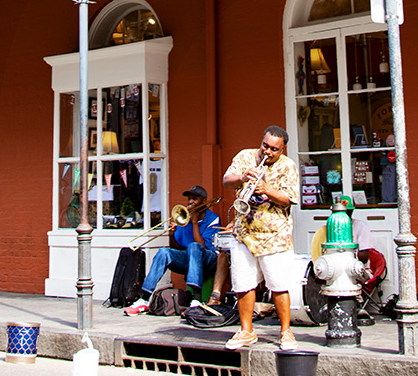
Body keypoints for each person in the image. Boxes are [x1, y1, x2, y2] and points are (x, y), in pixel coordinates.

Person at [221, 125, 299, 350]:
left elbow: (290, 199)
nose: (268, 152)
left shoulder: (288, 166)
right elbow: (227, 181)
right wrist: (242, 178)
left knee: (278, 285)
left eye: (274, 149)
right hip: (244, 233)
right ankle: (247, 331)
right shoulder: (245, 156)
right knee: (243, 284)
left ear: (282, 150)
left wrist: (267, 190)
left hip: (274, 235)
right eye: (265, 145)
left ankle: (286, 332)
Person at [124, 186, 221, 315]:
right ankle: (144, 299)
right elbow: (176, 247)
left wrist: (195, 222)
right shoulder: (183, 218)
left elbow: (202, 246)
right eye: (189, 199)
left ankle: (196, 300)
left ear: (204, 201)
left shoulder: (213, 219)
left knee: (194, 247)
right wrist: (171, 234)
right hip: (189, 258)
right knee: (164, 252)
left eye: (195, 199)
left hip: (208, 259)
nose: (190, 202)